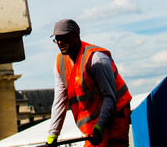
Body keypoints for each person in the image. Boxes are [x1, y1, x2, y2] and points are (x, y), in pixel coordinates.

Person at [44, 19, 131, 147]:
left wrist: (100, 126)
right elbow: (60, 101)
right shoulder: (60, 64)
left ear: (76, 35)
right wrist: (53, 134)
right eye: (57, 39)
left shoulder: (97, 59)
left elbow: (110, 96)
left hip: (116, 115)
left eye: (64, 37)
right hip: (94, 124)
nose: (60, 42)